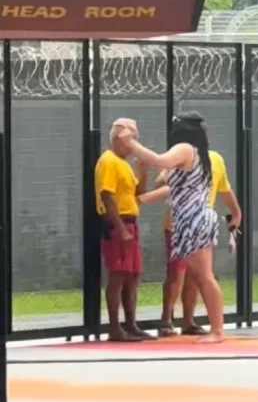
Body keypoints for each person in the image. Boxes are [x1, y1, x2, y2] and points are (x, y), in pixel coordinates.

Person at [116, 112, 227, 344]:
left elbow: (159, 160)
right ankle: (216, 328)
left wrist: (130, 143)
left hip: (193, 219)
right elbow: (174, 189)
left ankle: (217, 330)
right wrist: (144, 198)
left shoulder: (186, 148)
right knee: (201, 275)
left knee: (204, 276)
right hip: (191, 218)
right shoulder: (199, 155)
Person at [144, 149, 241, 338]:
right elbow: (162, 184)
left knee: (198, 275)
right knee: (178, 272)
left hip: (201, 224)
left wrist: (236, 213)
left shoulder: (215, 159)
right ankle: (167, 320)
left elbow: (224, 188)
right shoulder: (179, 155)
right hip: (177, 224)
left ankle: (189, 321)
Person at [95, 118, 154, 342]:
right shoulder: (108, 161)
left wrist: (143, 172)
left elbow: (138, 193)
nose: (133, 145)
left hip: (130, 222)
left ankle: (131, 324)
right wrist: (120, 229)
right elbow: (106, 195)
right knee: (118, 275)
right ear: (118, 139)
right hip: (118, 224)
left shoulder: (124, 163)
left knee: (132, 275)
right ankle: (115, 327)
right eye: (130, 140)